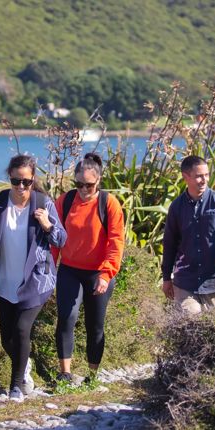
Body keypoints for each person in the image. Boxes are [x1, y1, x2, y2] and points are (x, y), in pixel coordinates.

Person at [0, 155, 67, 402]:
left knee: (21, 329)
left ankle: (15, 386)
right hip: (3, 280)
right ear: (10, 178)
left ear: (33, 180)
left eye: (26, 182)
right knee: (7, 339)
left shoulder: (43, 203)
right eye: (15, 181)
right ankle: (24, 366)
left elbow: (61, 240)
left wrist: (47, 224)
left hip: (36, 281)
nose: (20, 187)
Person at [52, 153, 125, 384]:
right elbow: (54, 238)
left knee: (95, 324)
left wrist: (106, 274)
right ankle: (65, 373)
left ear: (99, 181)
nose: (84, 189)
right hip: (69, 269)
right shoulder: (64, 201)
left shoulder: (109, 203)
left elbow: (116, 242)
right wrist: (49, 269)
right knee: (66, 318)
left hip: (98, 272)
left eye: (89, 185)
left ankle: (92, 375)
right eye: (79, 184)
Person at [161, 155, 215, 314]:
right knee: (191, 320)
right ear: (186, 177)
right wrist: (166, 278)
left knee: (213, 331)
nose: (204, 180)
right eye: (198, 176)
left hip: (214, 283)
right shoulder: (176, 207)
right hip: (184, 282)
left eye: (206, 175)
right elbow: (169, 244)